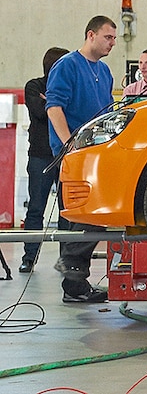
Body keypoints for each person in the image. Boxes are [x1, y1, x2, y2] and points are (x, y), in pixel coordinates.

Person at [47, 15, 117, 303]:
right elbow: (54, 107)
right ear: (91, 35)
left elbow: (107, 114)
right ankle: (73, 281)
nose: (112, 42)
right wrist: (68, 145)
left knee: (92, 215)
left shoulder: (106, 72)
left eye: (114, 38)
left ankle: (74, 283)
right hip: (73, 156)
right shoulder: (67, 66)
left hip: (96, 156)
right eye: (108, 37)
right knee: (81, 215)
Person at [19, 47, 71, 273]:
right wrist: (55, 104)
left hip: (64, 155)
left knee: (66, 210)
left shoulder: (68, 87)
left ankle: (66, 259)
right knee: (36, 208)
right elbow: (42, 112)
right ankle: (29, 257)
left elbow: (70, 111)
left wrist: (51, 102)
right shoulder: (34, 86)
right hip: (40, 156)